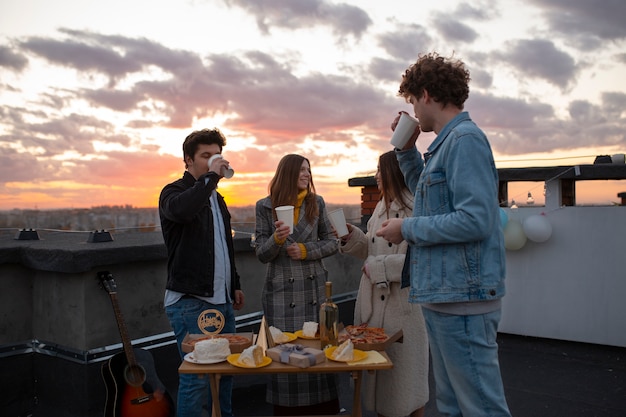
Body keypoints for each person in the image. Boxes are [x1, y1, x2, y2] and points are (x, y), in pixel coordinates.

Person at [376, 52, 512, 417]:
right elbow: (430, 200)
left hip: (463, 299)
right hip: (447, 296)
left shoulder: (465, 140)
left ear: (425, 94)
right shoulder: (445, 144)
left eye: (412, 102)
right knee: (453, 405)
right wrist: (406, 151)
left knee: (480, 406)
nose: (413, 113)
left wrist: (405, 228)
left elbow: (475, 220)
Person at [159, 128, 245, 417]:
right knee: (197, 379)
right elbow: (182, 212)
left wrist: (234, 283)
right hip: (191, 303)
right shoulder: (174, 192)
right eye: (205, 156)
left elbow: (223, 245)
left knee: (224, 374)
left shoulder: (217, 199)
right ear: (188, 160)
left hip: (220, 300)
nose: (212, 161)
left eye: (216, 155)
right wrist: (211, 178)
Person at [337, 150, 429, 417]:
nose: (376, 176)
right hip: (375, 310)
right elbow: (371, 247)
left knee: (406, 384)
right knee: (382, 384)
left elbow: (419, 262)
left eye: (379, 170)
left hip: (403, 309)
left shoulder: (414, 208)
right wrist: (350, 236)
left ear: (392, 172)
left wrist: (377, 268)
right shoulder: (380, 206)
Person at [254, 153, 340, 416]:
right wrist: (277, 240)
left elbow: (332, 242)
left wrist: (305, 250)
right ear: (288, 173)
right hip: (281, 294)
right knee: (285, 355)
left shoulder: (318, 203)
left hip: (313, 291)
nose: (307, 174)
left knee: (316, 350)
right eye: (302, 170)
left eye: (309, 170)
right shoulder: (265, 206)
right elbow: (261, 253)